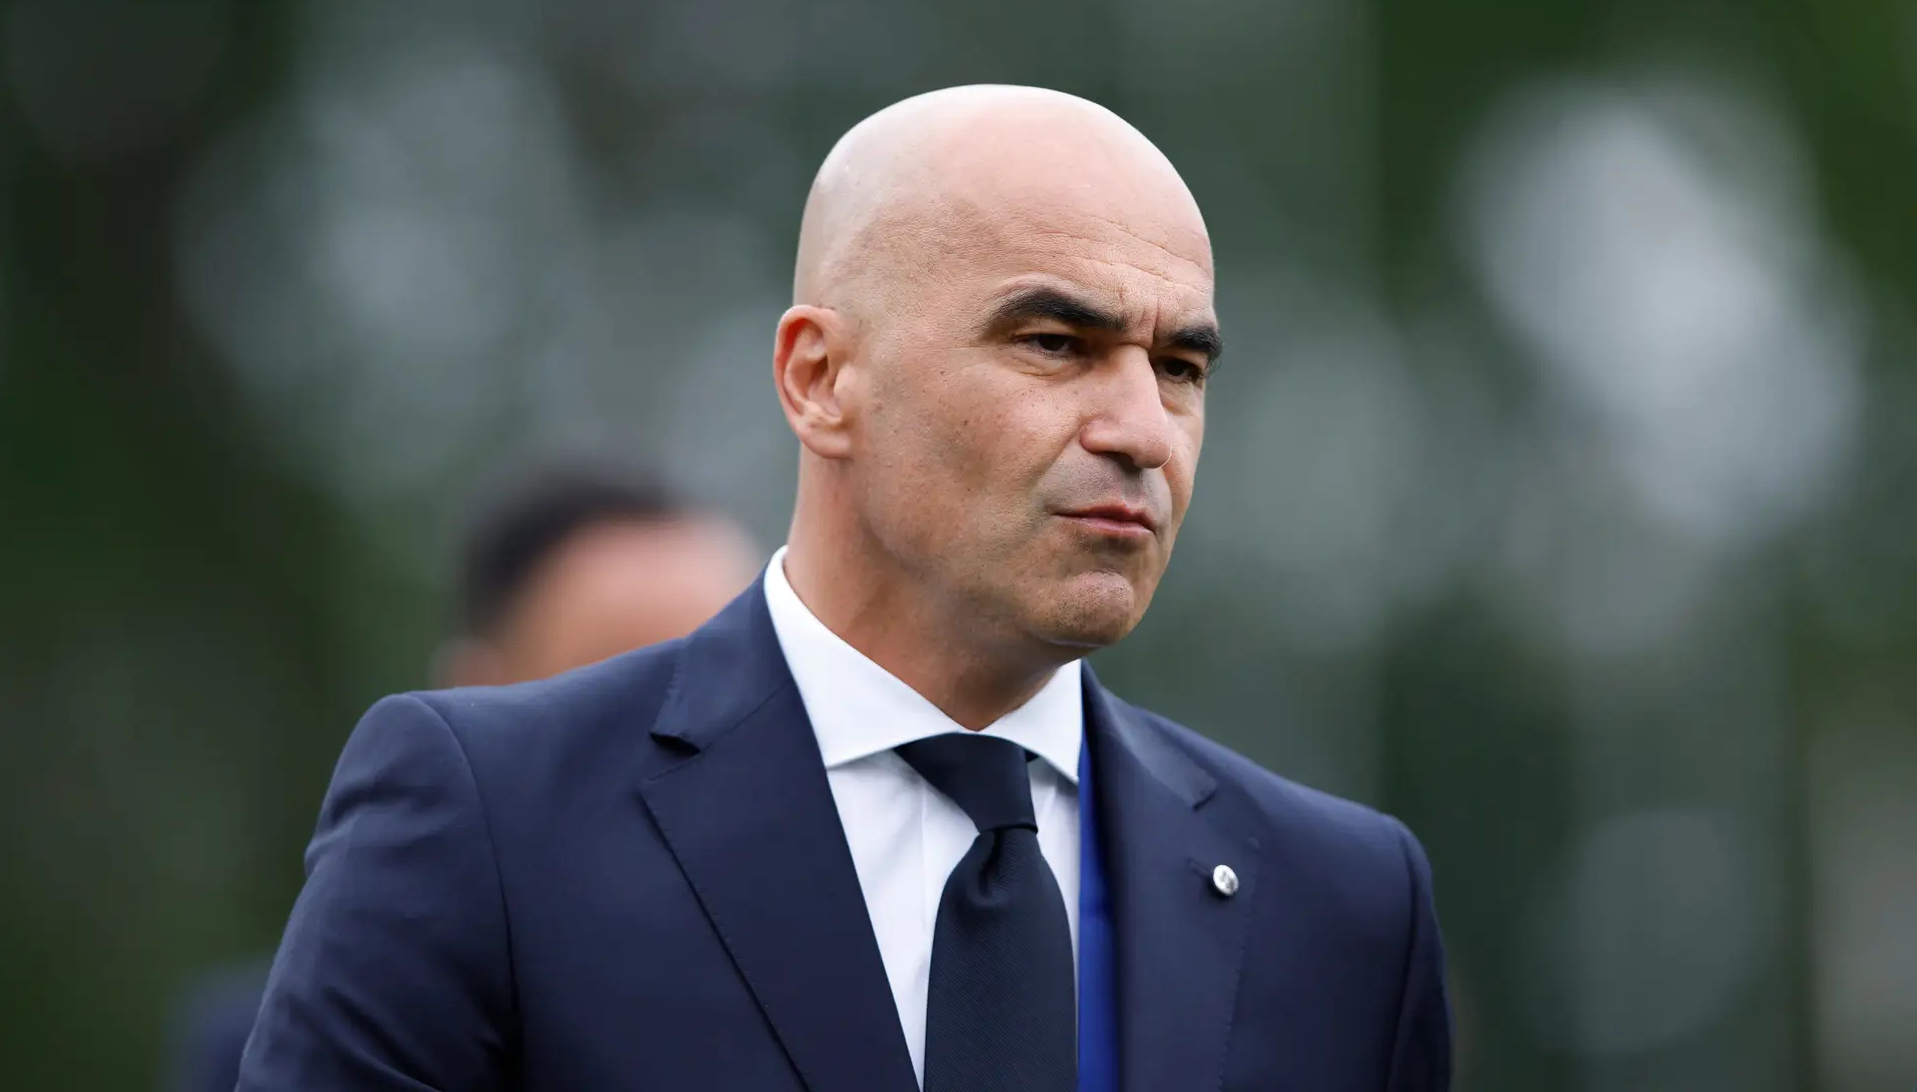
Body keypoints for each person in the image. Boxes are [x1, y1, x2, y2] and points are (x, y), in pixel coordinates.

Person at [238, 86, 1452, 1091]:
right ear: (819, 378)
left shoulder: (1343, 904)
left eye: (1180, 365)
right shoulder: (495, 824)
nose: (1142, 428)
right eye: (1054, 343)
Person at [167, 468, 758, 1092]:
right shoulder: (323, 1039)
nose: (686, 734)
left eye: (723, 684)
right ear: (478, 692)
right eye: (616, 684)